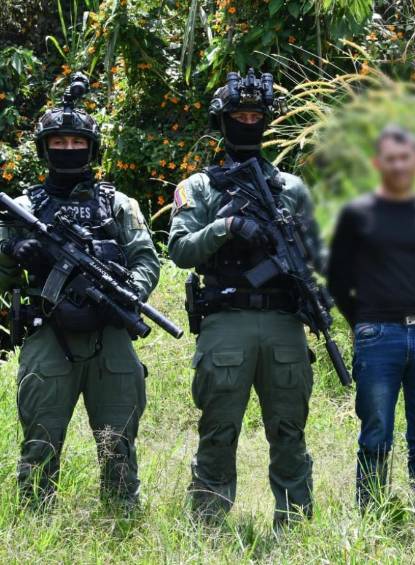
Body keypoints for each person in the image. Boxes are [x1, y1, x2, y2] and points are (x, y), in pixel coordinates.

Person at [168, 69, 324, 526]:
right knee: (218, 429)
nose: (249, 123)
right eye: (240, 115)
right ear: (223, 120)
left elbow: (317, 253)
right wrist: (227, 226)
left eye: (257, 116)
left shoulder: (291, 188)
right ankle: (208, 523)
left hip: (283, 322)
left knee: (290, 430)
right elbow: (180, 250)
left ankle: (296, 524)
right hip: (226, 319)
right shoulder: (199, 187)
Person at [0, 75, 160, 512]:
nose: (68, 149)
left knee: (119, 442)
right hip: (48, 334)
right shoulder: (22, 210)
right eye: (59, 141)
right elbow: (3, 278)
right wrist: (15, 254)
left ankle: (122, 520)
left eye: (76, 142)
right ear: (44, 148)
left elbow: (146, 260)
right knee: (41, 440)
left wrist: (125, 293)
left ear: (91, 148)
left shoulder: (119, 205)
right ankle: (36, 521)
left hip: (111, 334)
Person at [327, 125, 415, 509]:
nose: (398, 166)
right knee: (376, 433)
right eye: (390, 159)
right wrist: (363, 323)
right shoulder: (356, 215)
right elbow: (338, 279)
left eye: (404, 158)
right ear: (377, 163)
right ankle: (372, 513)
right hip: (378, 336)